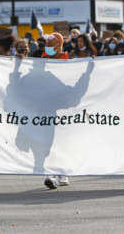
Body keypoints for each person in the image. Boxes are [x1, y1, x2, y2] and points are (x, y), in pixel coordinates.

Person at [40, 32, 70, 189]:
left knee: (62, 140)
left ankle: (63, 172)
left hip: (63, 109)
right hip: (47, 108)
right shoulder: (42, 60)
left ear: (59, 45)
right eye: (47, 44)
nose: (48, 47)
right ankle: (50, 173)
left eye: (52, 44)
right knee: (47, 141)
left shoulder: (67, 61)